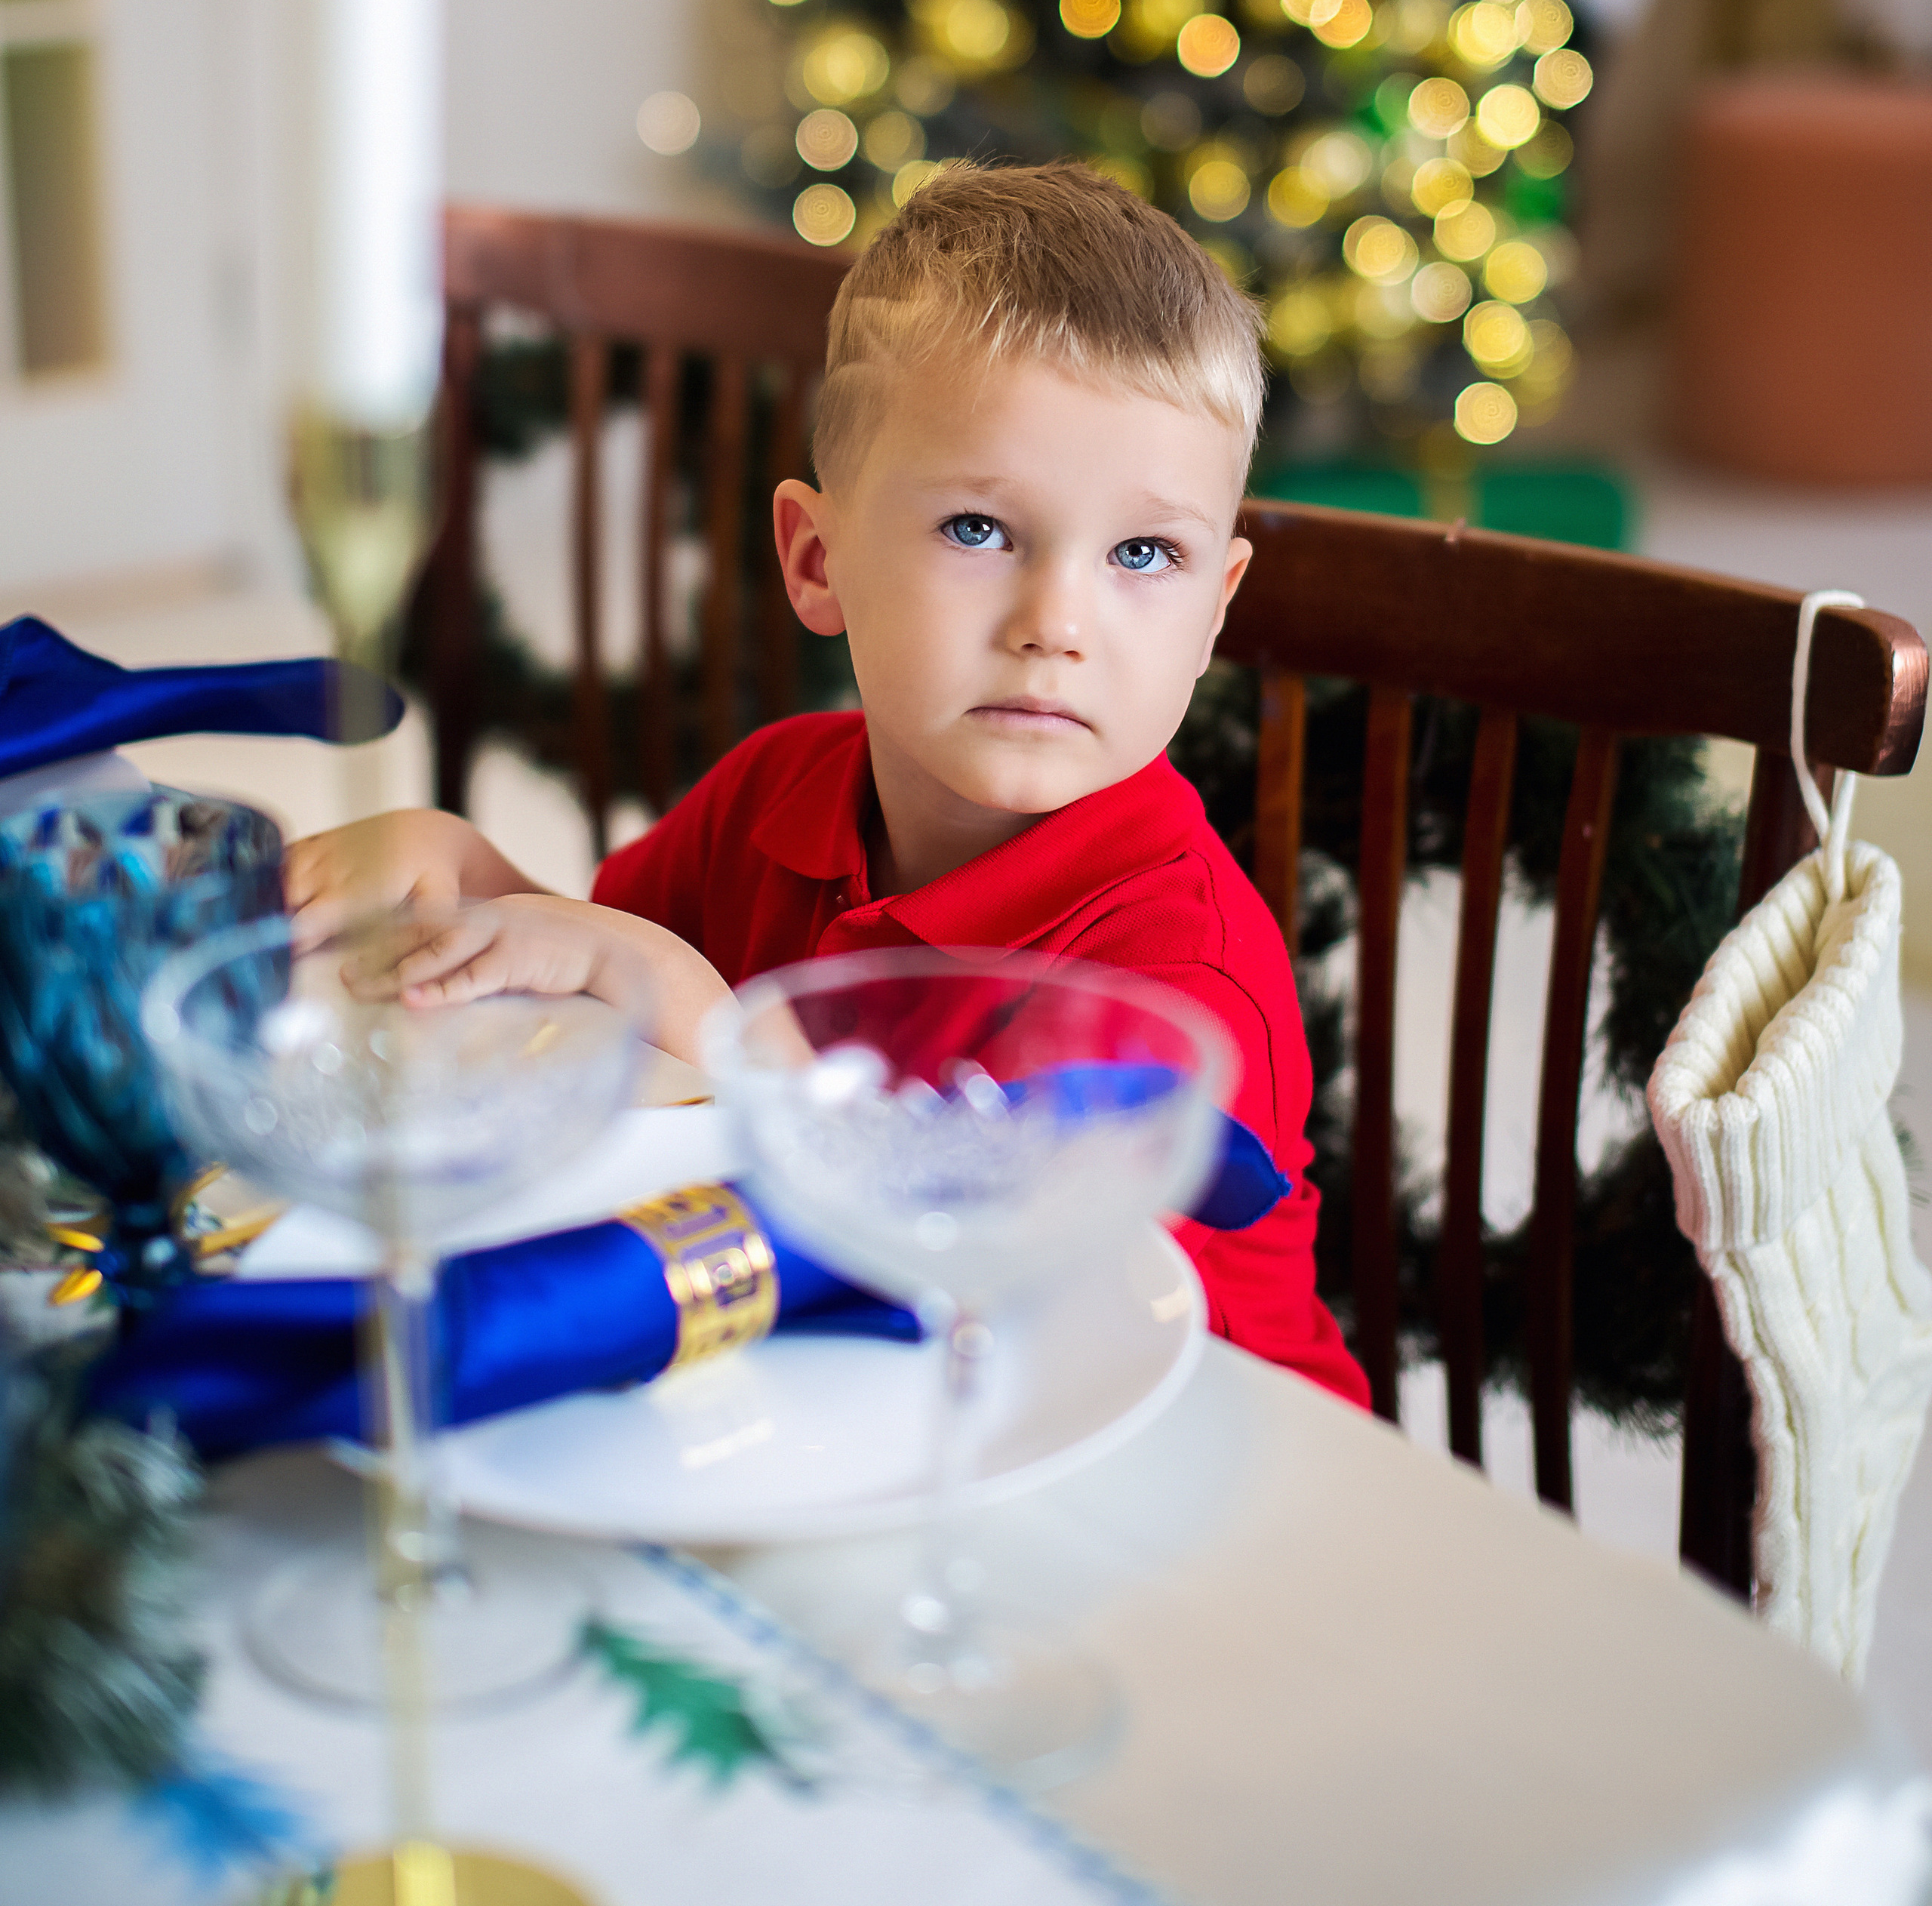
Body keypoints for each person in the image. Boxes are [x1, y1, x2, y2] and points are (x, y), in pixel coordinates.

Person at [288, 163, 1369, 1405]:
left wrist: (702, 1012)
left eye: (1143, 553)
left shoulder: (1180, 980)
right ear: (817, 557)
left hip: (1182, 1500)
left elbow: (993, 1321)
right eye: (980, 529)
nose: (1056, 623)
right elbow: (614, 988)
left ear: (1214, 608)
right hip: (819, 1414)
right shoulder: (774, 792)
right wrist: (473, 877)